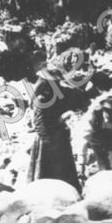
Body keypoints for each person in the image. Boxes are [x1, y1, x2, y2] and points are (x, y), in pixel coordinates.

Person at [27, 61, 81, 191]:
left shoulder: (58, 93)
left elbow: (74, 98)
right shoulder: (42, 98)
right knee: (46, 171)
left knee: (63, 171)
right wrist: (48, 141)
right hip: (47, 139)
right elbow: (39, 123)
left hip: (59, 136)